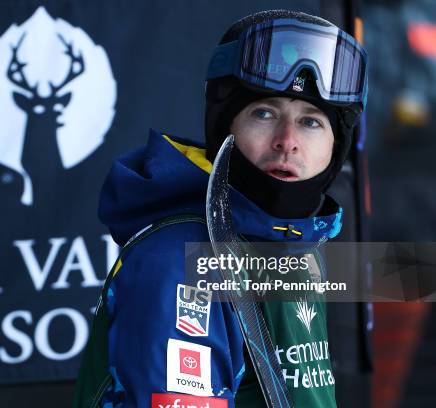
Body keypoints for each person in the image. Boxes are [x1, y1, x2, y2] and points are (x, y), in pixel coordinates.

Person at [73, 9, 368, 408]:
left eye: (311, 122)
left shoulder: (293, 246)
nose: (287, 141)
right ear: (224, 126)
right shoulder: (182, 260)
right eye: (264, 113)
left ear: (337, 146)